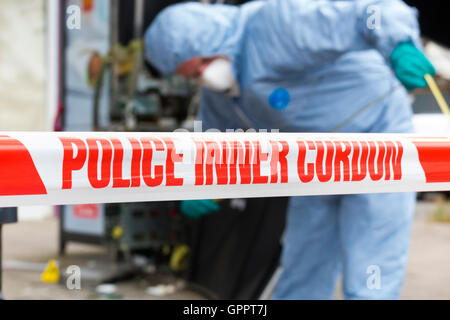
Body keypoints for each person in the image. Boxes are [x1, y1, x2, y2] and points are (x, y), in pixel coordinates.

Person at [144, 0, 435, 299]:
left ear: (211, 39)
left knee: (370, 271)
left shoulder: (279, 23)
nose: (204, 77)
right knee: (303, 269)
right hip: (315, 159)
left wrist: (399, 42)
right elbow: (214, 141)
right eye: (193, 76)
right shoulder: (223, 90)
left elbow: (370, 11)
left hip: (377, 141)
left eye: (201, 66)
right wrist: (199, 182)